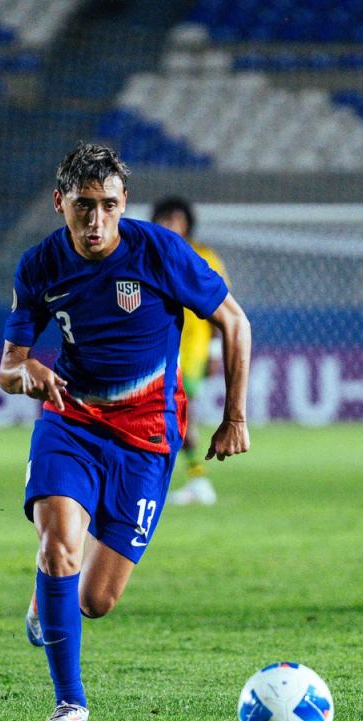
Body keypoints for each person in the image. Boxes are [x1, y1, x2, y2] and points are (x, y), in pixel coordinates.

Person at [0, 143, 250, 721]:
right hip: (72, 421)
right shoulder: (39, 266)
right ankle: (69, 702)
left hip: (147, 438)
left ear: (124, 202)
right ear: (60, 203)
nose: (96, 220)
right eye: (83, 205)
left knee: (96, 601)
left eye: (108, 205)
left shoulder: (158, 251)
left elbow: (234, 321)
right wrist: (25, 371)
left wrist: (234, 416)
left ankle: (47, 595)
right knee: (59, 541)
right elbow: (8, 369)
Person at [151, 197, 230, 506]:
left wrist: (213, 351)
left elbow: (223, 310)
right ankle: (191, 478)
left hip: (190, 347)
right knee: (164, 413)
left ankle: (196, 478)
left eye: (176, 220)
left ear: (187, 224)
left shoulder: (204, 256)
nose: (171, 225)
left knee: (180, 411)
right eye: (165, 219)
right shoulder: (146, 253)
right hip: (153, 346)